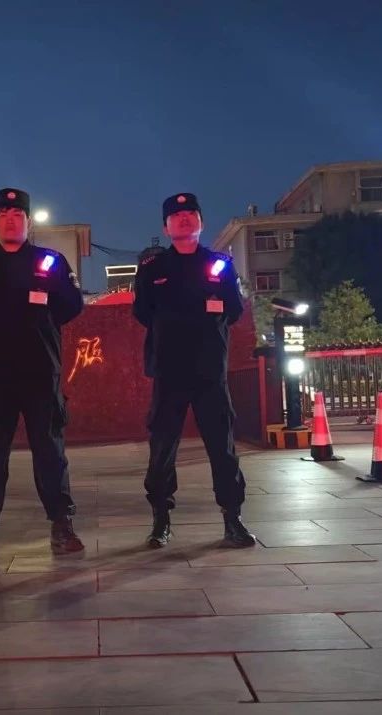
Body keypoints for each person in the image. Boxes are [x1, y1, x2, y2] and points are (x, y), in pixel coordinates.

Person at [0, 187, 85, 555]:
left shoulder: (50, 262)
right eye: (3, 215)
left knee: (49, 450)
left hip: (41, 370)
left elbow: (70, 306)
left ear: (29, 222)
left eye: (18, 215)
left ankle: (62, 524)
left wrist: (38, 326)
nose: (11, 221)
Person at [132, 193, 257, 549]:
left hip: (209, 373)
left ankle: (232, 518)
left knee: (223, 448)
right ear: (165, 227)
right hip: (168, 372)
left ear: (201, 221)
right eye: (176, 215)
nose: (184, 218)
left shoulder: (219, 265)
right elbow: (142, 313)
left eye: (191, 213)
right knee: (162, 448)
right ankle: (161, 519)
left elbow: (234, 310)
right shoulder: (153, 269)